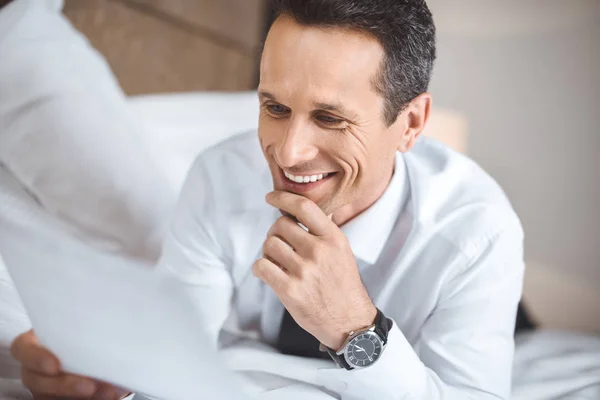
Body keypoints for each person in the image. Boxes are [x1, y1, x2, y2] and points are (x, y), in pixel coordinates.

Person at [10, 0, 526, 399]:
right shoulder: (220, 177)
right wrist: (106, 379)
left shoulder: (477, 236)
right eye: (275, 107)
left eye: (329, 118)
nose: (288, 152)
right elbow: (178, 353)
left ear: (410, 124)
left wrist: (356, 329)